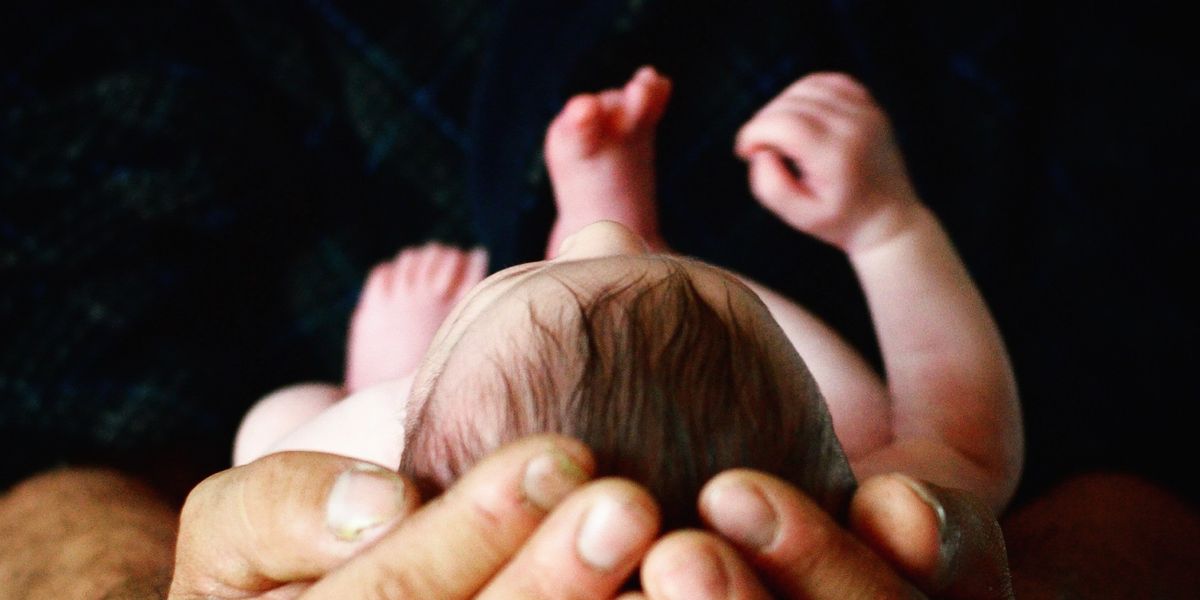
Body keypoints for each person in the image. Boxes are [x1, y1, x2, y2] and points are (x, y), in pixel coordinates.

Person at [233, 67, 1022, 528]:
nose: (594, 243)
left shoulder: (395, 469)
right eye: (639, 252)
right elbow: (966, 440)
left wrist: (381, 382)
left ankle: (433, 361)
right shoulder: (851, 509)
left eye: (534, 273)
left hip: (414, 458)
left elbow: (269, 447)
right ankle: (630, 241)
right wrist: (888, 228)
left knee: (290, 426)